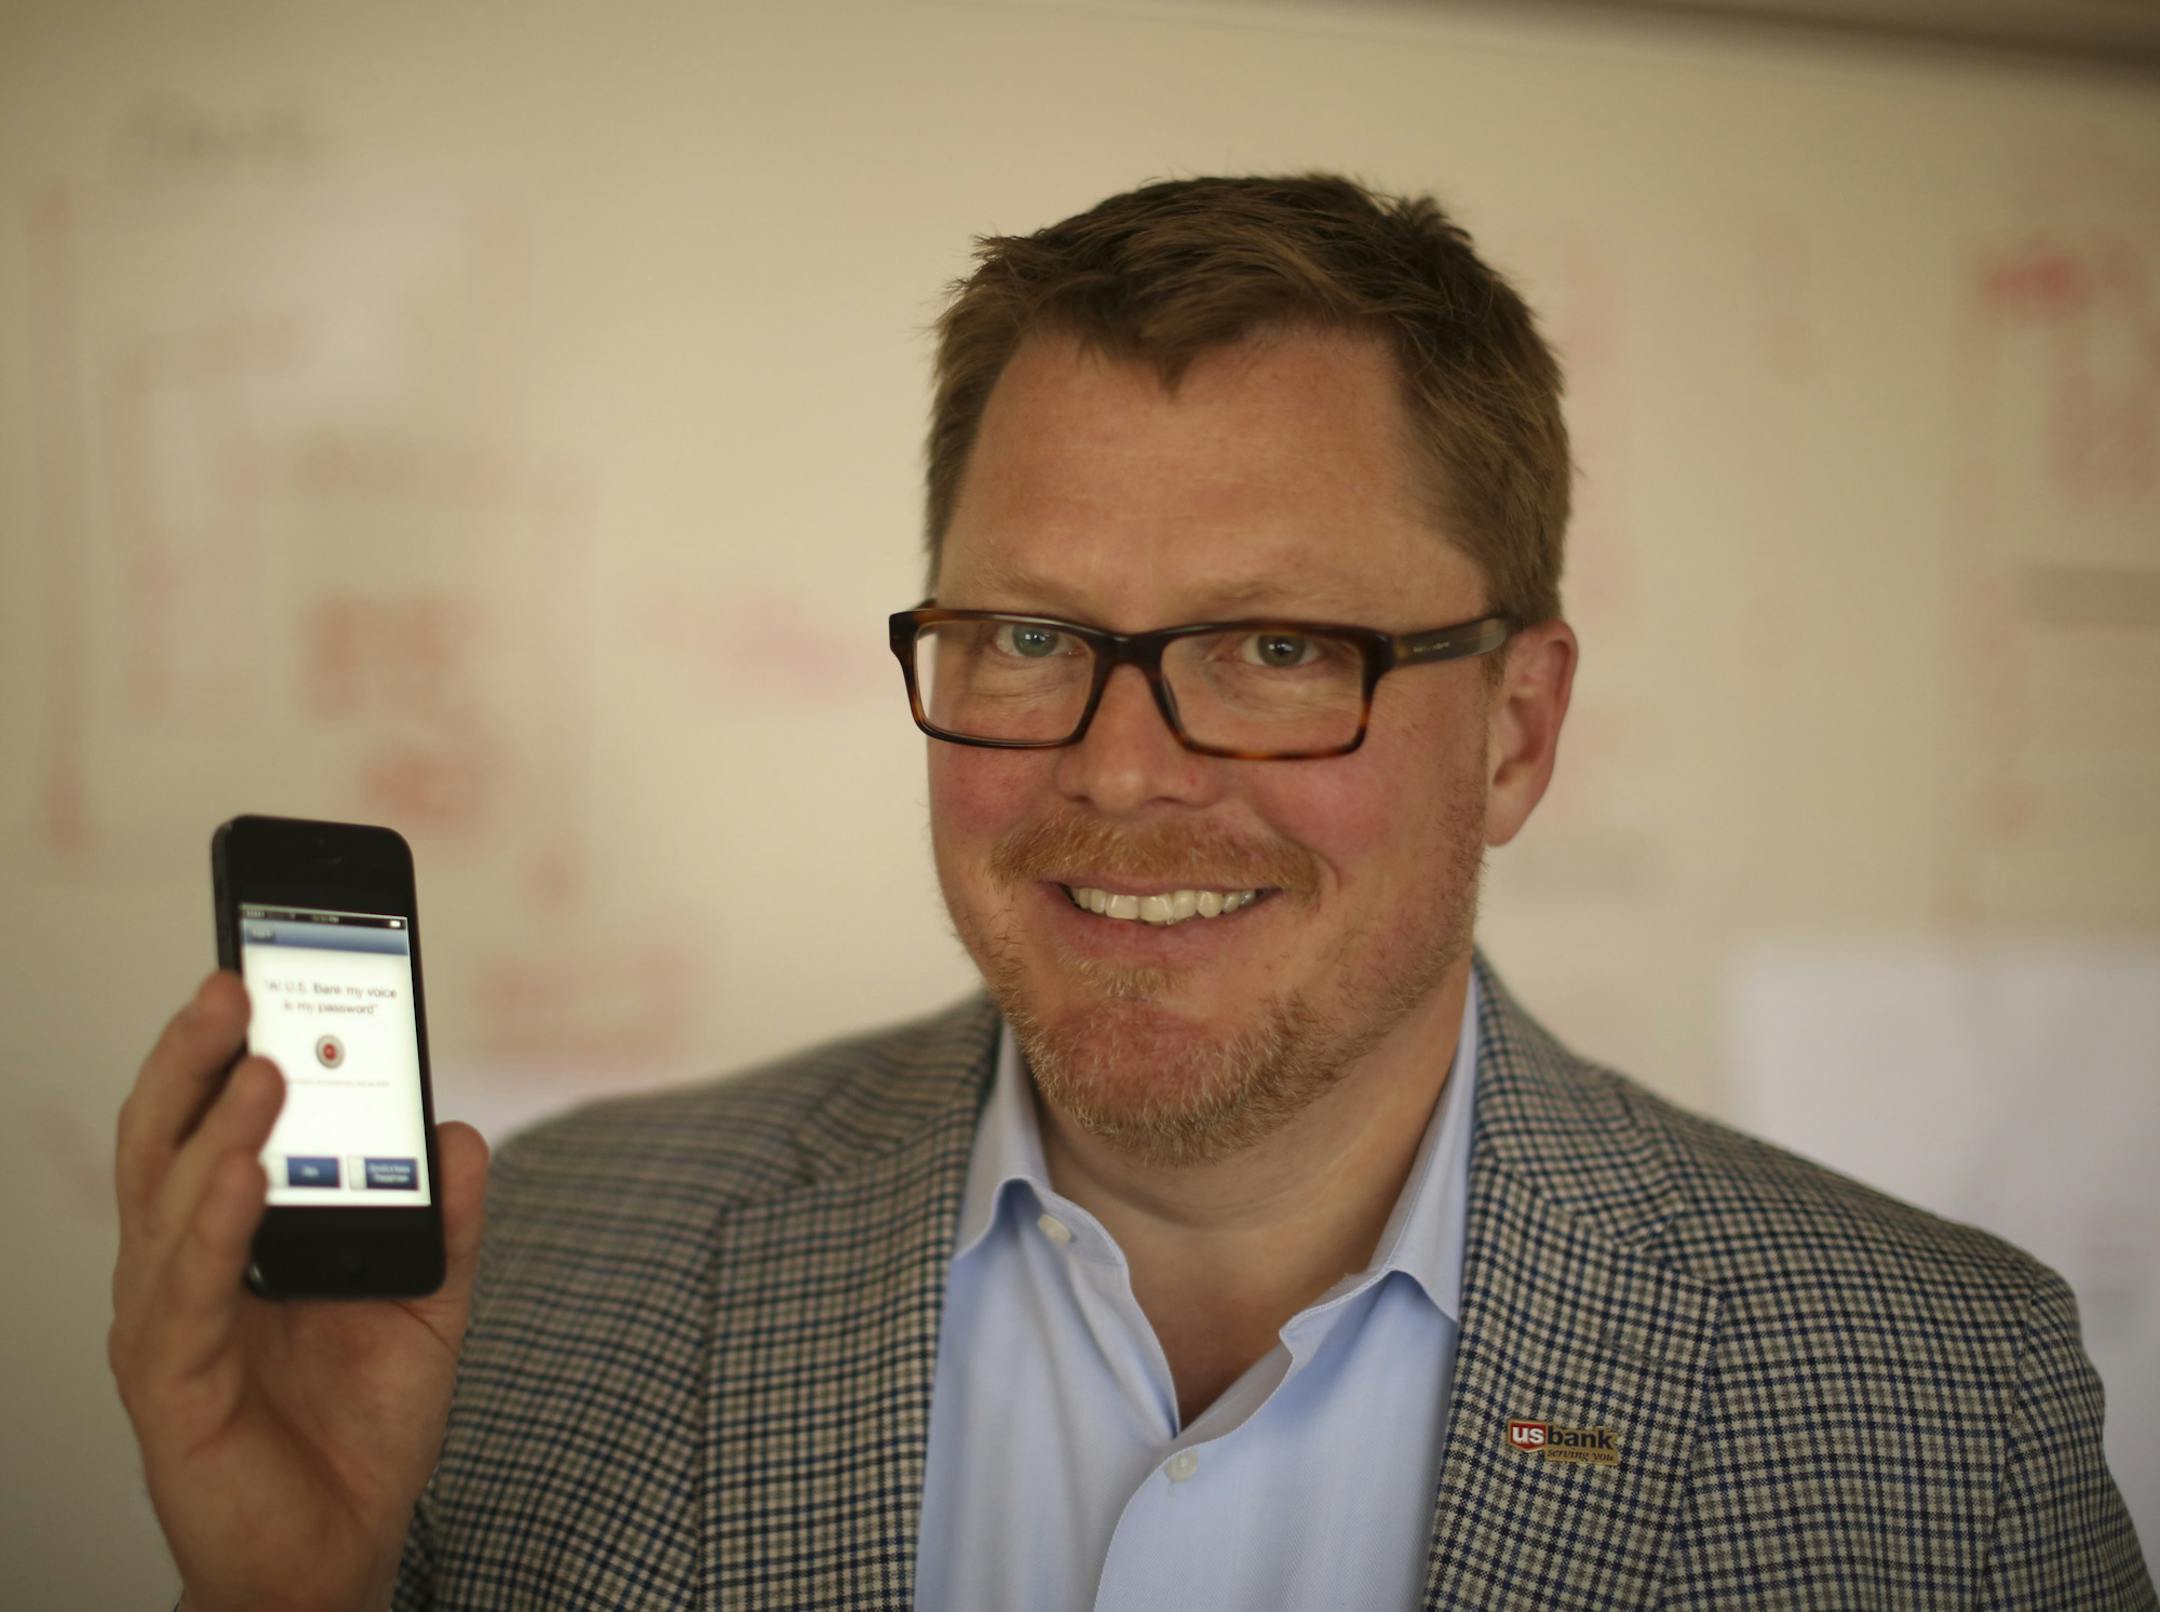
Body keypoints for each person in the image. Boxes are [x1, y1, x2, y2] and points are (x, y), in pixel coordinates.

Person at [110, 174, 2153, 1611]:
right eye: (1023, 633)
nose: (1116, 766)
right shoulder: (532, 1284)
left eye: (1274, 646)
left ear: (1517, 728)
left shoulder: (1943, 1410)